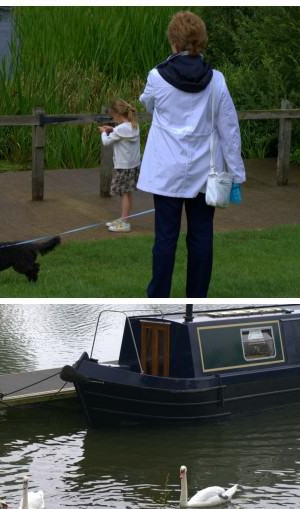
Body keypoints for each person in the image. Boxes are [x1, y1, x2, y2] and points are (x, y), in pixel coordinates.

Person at [138, 11, 245, 297]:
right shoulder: (217, 80)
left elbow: (148, 104)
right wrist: (236, 175)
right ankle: (197, 297)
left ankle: (158, 295)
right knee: (201, 236)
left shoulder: (157, 76)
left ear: (174, 41)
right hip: (203, 172)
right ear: (201, 41)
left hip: (165, 172)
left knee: (165, 238)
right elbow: (229, 130)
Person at [99, 99, 141, 233]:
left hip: (123, 167)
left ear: (117, 114)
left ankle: (124, 222)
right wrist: (112, 129)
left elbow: (106, 142)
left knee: (123, 193)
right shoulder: (133, 125)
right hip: (132, 166)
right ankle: (124, 218)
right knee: (126, 193)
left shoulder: (121, 129)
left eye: (113, 115)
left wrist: (103, 133)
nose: (113, 118)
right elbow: (121, 131)